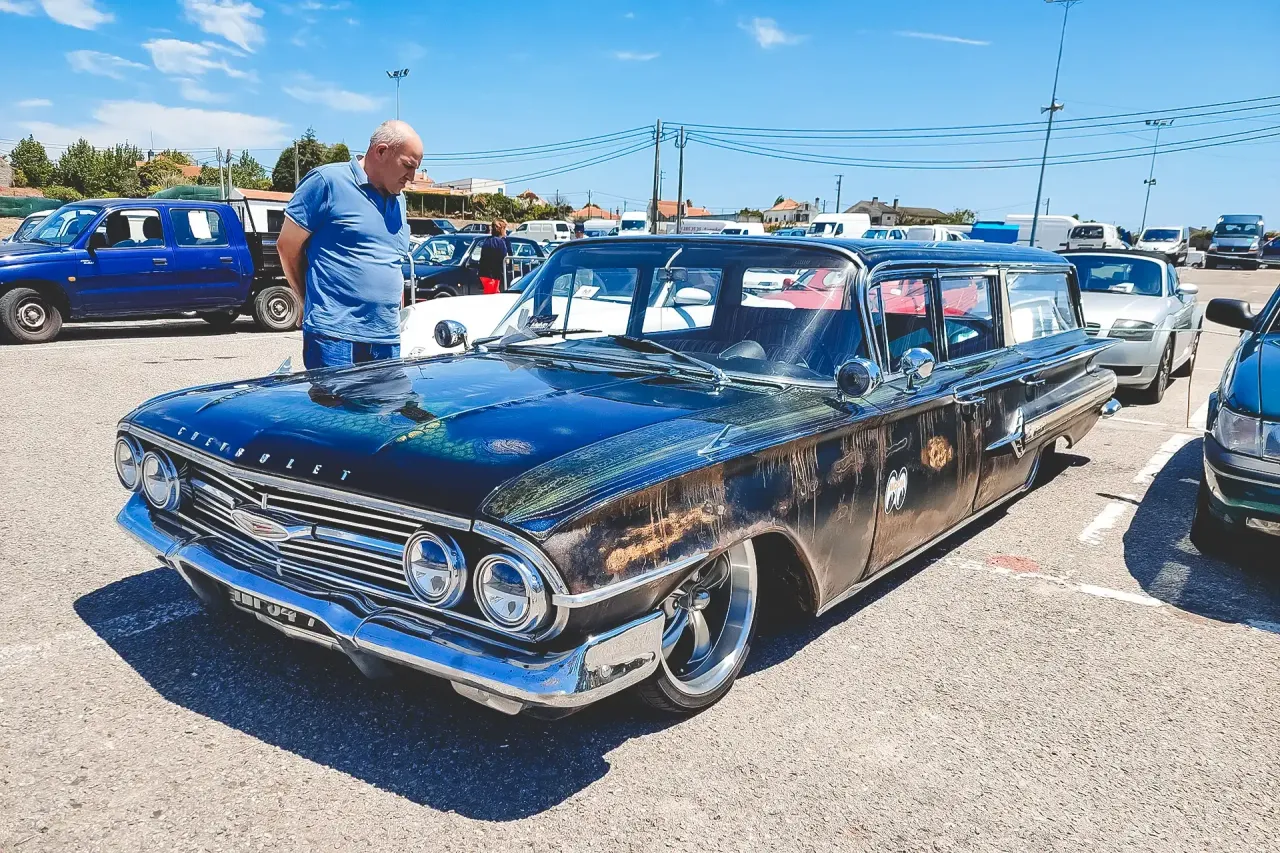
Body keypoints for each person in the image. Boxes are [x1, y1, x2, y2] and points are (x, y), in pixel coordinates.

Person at [278, 119, 424, 370]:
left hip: (386, 338)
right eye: (408, 166)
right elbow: (287, 246)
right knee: (335, 399)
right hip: (334, 337)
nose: (412, 177)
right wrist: (304, 299)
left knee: (387, 399)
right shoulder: (327, 182)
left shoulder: (399, 201)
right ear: (381, 151)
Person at [477, 219, 510, 295]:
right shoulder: (500, 242)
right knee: (492, 295)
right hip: (493, 275)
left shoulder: (487, 240)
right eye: (505, 229)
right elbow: (505, 259)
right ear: (501, 230)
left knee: (490, 293)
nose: (506, 231)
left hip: (484, 274)